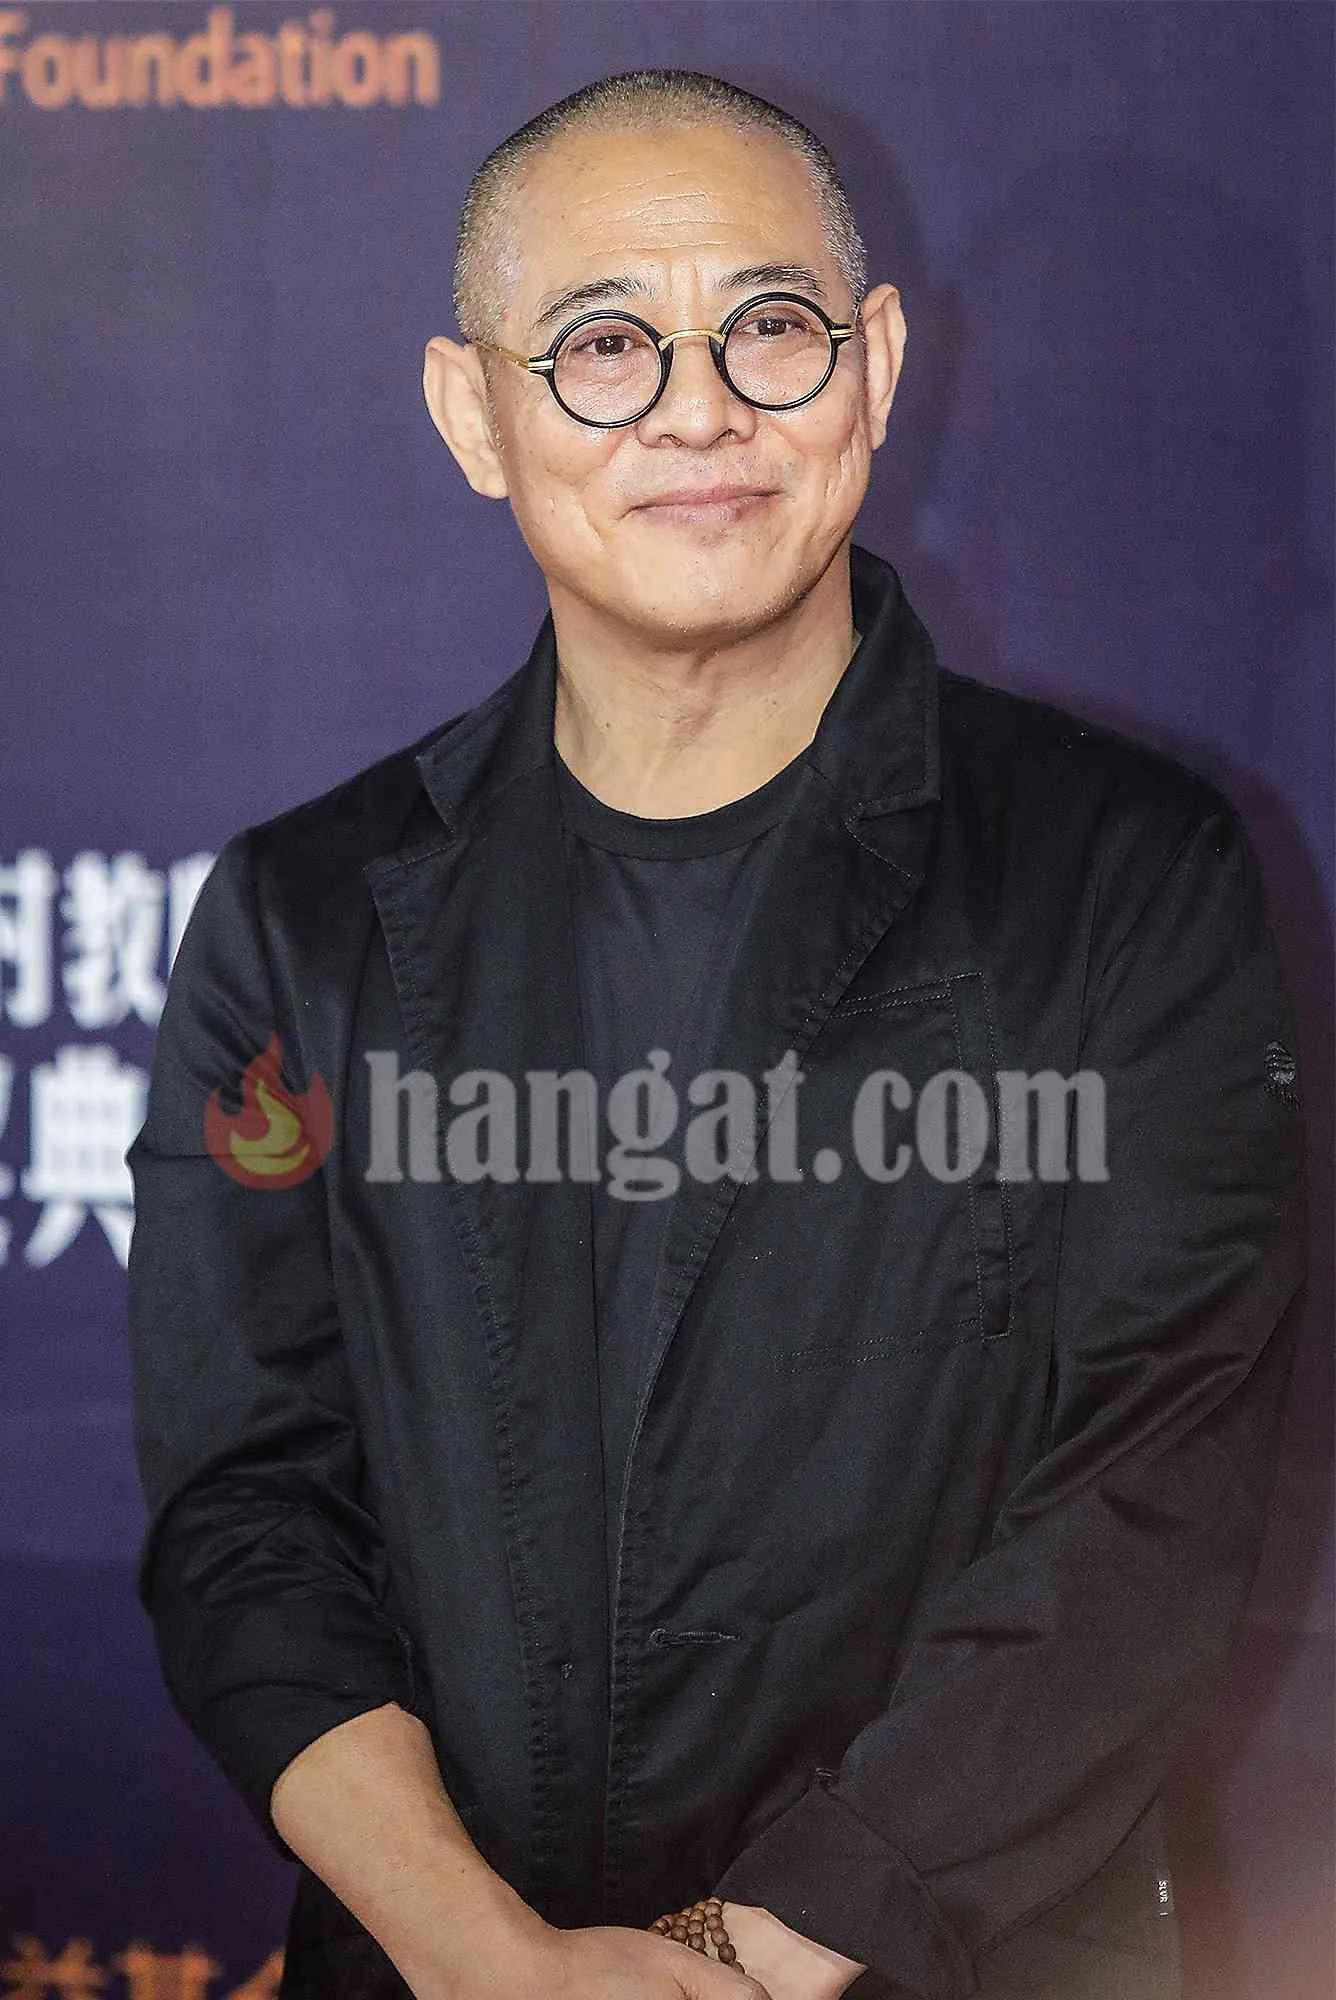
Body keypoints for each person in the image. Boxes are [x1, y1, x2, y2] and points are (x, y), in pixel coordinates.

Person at [125, 66, 1307, 2000]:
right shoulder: (301, 917)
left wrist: (736, 1957)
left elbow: (1152, 1498)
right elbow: (247, 1508)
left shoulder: (1122, 873)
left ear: (877, 365)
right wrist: (487, 1956)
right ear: (473, 413)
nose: (698, 411)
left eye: (769, 327)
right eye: (604, 345)